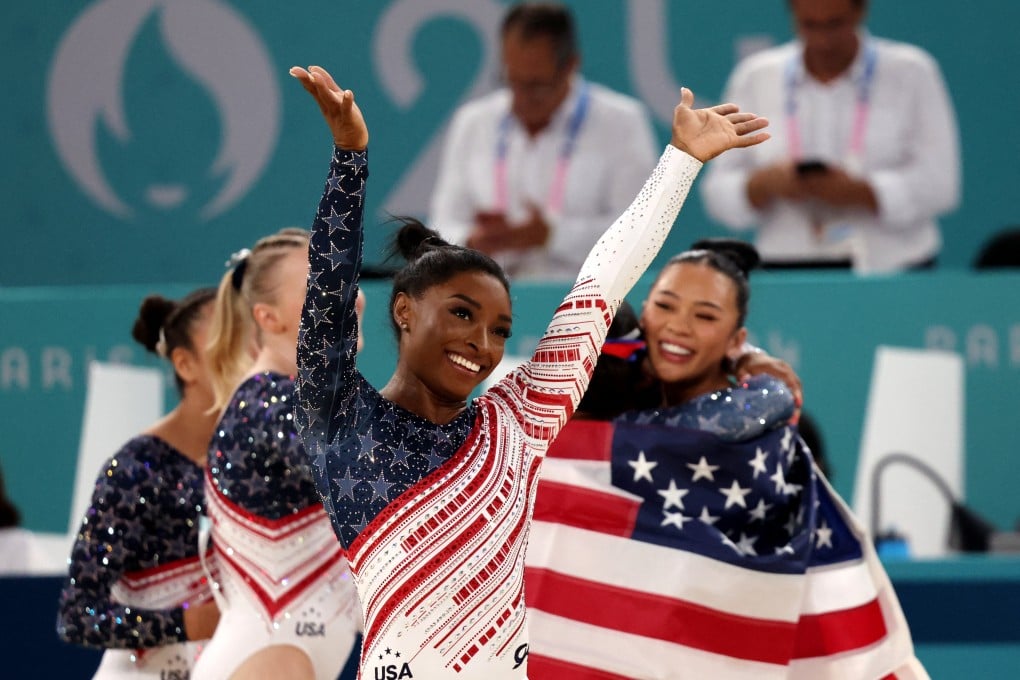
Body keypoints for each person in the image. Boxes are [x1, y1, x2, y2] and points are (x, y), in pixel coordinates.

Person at [288, 59, 768, 679]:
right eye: (461, 314)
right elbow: (326, 295)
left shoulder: (516, 422)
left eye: (499, 330)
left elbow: (600, 285)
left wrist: (679, 163)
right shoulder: (341, 416)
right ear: (403, 309)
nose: (482, 345)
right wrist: (350, 156)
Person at [525, 240, 927, 677]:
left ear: (735, 338)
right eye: (666, 306)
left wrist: (755, 370)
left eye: (705, 316)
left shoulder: (753, 433)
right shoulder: (617, 401)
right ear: (645, 316)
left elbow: (753, 410)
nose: (679, 327)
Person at [191, 229, 361, 680]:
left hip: (281, 653)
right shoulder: (264, 403)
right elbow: (362, 469)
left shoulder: (294, 402)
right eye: (322, 283)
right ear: (268, 317)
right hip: (265, 659)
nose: (349, 295)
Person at [700, 0, 960, 273]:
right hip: (787, 267)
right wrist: (763, 185)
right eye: (810, 25)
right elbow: (717, 191)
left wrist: (863, 192)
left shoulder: (912, 71)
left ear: (860, 12)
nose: (823, 42)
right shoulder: (755, 77)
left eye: (835, 24)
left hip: (893, 266)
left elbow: (941, 184)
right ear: (793, 15)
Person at [57, 289, 222, 679]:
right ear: (185, 364)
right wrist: (188, 624)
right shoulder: (137, 471)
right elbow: (78, 614)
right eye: (227, 342)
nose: (247, 355)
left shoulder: (258, 460)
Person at [429, 1, 659, 281]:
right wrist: (475, 240)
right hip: (490, 302)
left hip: (588, 303)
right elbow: (441, 224)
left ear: (571, 66)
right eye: (512, 80)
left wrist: (551, 235)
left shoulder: (622, 123)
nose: (522, 97)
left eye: (536, 85)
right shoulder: (473, 122)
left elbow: (640, 234)